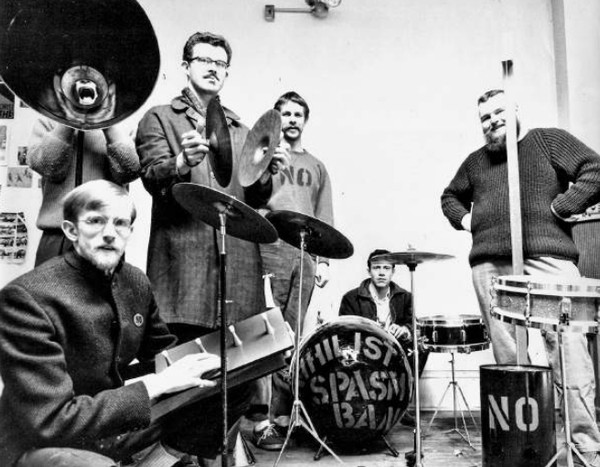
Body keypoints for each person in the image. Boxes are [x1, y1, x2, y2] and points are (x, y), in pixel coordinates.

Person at [0, 180, 226, 467]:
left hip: (109, 428)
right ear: (71, 230)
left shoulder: (135, 282)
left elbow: (163, 355)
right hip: (44, 442)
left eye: (120, 223)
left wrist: (238, 358)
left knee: (226, 388)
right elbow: (51, 421)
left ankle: (159, 462)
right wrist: (156, 385)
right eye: (95, 221)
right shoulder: (26, 298)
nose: (109, 233)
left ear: (130, 231)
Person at [441, 89, 600, 465]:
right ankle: (527, 449)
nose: (492, 121)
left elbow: (594, 170)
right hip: (490, 267)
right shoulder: (475, 162)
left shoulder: (547, 141)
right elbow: (450, 198)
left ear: (514, 109)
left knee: (569, 349)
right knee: (510, 358)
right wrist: (468, 219)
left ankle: (585, 447)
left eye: (498, 111)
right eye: (484, 117)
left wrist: (563, 206)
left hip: (548, 259)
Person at [136, 31, 275, 341]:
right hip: (183, 277)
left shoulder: (243, 132)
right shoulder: (159, 118)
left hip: (239, 282)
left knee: (239, 368)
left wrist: (267, 170)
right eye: (204, 60)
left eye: (221, 64)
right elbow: (152, 178)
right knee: (183, 366)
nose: (213, 68)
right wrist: (182, 162)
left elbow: (255, 199)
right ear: (186, 66)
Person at [248, 91, 334, 450]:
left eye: (299, 114)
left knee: (291, 337)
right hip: (270, 245)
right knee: (266, 333)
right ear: (276, 118)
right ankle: (260, 420)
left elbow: (324, 213)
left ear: (305, 120)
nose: (293, 119)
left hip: (305, 252)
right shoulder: (264, 157)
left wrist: (323, 260)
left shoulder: (316, 165)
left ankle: (284, 417)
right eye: (286, 113)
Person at [28, 118, 140, 266]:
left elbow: (129, 171)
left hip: (106, 233)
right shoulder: (48, 121)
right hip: (57, 234)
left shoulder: (125, 124)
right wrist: (66, 121)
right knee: (46, 281)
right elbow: (48, 168)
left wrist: (108, 123)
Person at [338, 249, 429, 427]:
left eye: (386, 268)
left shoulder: (405, 297)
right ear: (369, 271)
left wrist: (404, 330)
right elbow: (344, 331)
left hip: (394, 351)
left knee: (421, 347)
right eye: (376, 267)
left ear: (393, 271)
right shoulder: (351, 298)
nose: (381, 273)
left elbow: (413, 324)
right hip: (364, 351)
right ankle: (369, 405)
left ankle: (401, 404)